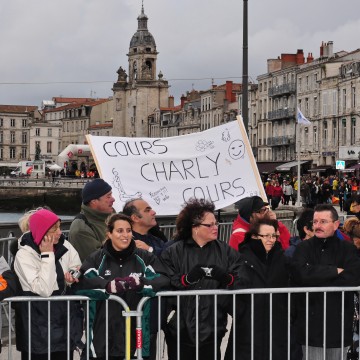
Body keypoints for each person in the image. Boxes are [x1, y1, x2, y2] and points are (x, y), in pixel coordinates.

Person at [73, 213, 170, 360]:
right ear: (109, 234)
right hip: (102, 338)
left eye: (128, 230)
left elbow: (162, 278)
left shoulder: (144, 257)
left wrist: (141, 283)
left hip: (135, 336)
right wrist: (107, 286)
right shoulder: (96, 258)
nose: (125, 235)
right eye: (120, 231)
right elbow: (82, 283)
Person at [161, 198, 248, 360]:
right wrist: (186, 279)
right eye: (210, 225)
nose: (216, 228)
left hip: (213, 327)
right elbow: (165, 280)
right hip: (180, 329)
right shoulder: (173, 252)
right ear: (194, 228)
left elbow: (241, 279)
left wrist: (226, 278)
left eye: (216, 223)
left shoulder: (226, 251)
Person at [291, 204, 360, 359]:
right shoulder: (303, 248)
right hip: (309, 324)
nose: (317, 226)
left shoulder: (347, 249)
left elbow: (352, 277)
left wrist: (314, 276)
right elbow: (300, 274)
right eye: (315, 222)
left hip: (339, 324)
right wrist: (334, 271)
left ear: (336, 224)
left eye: (323, 221)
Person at [13, 208, 82, 360]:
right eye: (54, 229)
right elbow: (43, 289)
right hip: (37, 327)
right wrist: (47, 255)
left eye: (59, 226)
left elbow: (77, 265)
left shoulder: (65, 246)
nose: (59, 232)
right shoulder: (24, 254)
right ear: (42, 231)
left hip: (64, 322)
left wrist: (72, 276)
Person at [225, 218, 290, 360]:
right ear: (254, 236)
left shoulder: (282, 258)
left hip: (277, 325)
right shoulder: (241, 259)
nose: (271, 240)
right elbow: (231, 290)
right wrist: (241, 311)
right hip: (248, 326)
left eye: (274, 236)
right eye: (266, 236)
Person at [122, 198, 167, 359]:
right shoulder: (123, 240)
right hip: (127, 317)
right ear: (135, 218)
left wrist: (149, 250)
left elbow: (170, 262)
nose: (153, 212)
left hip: (152, 318)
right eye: (147, 210)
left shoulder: (157, 241)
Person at [69, 178, 115, 261]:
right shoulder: (81, 229)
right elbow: (99, 261)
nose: (113, 199)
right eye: (108, 196)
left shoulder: (115, 218)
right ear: (94, 202)